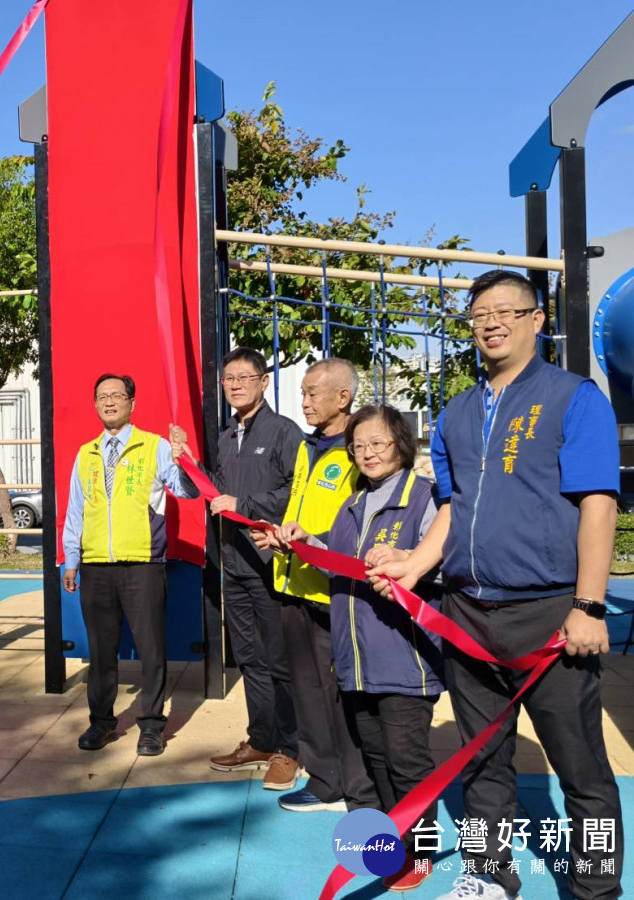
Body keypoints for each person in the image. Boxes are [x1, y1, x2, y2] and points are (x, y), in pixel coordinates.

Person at [369, 270, 623, 900]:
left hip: (549, 614)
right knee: (482, 758)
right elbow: (453, 509)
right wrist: (414, 563)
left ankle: (596, 889)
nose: (491, 322)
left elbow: (598, 503)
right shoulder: (455, 413)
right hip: (467, 613)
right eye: (480, 313)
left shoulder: (574, 397)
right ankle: (491, 874)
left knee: (581, 766)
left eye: (507, 311)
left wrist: (588, 605)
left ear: (538, 321)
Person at [277, 405, 442, 893]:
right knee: (374, 756)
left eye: (379, 443)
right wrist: (306, 539)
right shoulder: (352, 506)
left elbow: (446, 560)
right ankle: (392, 841)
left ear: (402, 445)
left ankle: (422, 852)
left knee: (407, 760)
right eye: (360, 446)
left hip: (404, 659)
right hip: (356, 662)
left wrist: (410, 559)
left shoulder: (425, 499)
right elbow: (336, 555)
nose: (368, 453)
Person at [252, 357, 378, 813]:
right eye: (302, 393)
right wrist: (278, 534)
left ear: (342, 398)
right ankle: (325, 782)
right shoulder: (307, 448)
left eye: (311, 393)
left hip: (337, 594)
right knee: (307, 690)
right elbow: (300, 512)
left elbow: (364, 525)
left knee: (345, 694)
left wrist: (318, 543)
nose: (303, 402)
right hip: (294, 585)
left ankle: (359, 789)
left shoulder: (359, 452)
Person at [61, 373, 197, 757]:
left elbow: (186, 491)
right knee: (101, 651)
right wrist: (73, 559)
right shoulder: (86, 453)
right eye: (102, 396)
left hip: (143, 564)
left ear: (131, 402)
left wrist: (182, 457)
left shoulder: (154, 447)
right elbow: (76, 511)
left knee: (152, 649)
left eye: (117, 395)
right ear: (95, 404)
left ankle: (152, 726)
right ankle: (101, 723)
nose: (109, 402)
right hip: (96, 567)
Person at [203, 348, 303, 791]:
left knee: (279, 659)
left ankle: (290, 747)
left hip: (270, 563)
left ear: (264, 381)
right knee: (249, 658)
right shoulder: (227, 437)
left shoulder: (284, 432)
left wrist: (245, 506)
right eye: (229, 378)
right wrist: (186, 459)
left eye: (246, 377)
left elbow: (295, 492)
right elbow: (213, 491)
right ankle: (261, 739)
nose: (236, 384)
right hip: (234, 563)